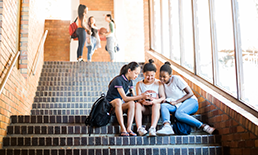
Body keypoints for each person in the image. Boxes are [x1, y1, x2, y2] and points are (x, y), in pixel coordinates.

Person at [156, 62, 215, 135]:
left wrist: (177, 101)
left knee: (179, 113)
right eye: (160, 76)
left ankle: (204, 126)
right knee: (163, 106)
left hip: (190, 102)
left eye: (164, 77)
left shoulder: (176, 79)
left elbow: (190, 93)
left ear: (170, 76)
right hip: (177, 106)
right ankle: (167, 127)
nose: (162, 78)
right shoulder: (161, 84)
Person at [106, 62, 151, 136]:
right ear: (129, 71)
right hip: (110, 106)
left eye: (138, 74)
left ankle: (129, 129)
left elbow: (134, 96)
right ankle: (123, 129)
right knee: (118, 101)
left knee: (132, 103)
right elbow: (125, 98)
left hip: (118, 107)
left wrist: (144, 100)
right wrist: (142, 96)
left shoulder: (130, 82)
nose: (136, 76)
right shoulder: (118, 80)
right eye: (135, 73)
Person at [135, 59, 165, 136]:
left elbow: (163, 97)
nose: (150, 77)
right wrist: (143, 101)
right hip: (145, 108)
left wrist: (154, 101)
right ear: (143, 73)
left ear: (155, 74)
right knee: (137, 104)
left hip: (155, 108)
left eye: (152, 75)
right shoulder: (139, 84)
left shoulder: (158, 83)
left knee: (157, 104)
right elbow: (138, 99)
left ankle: (152, 128)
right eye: (148, 75)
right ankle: (139, 128)